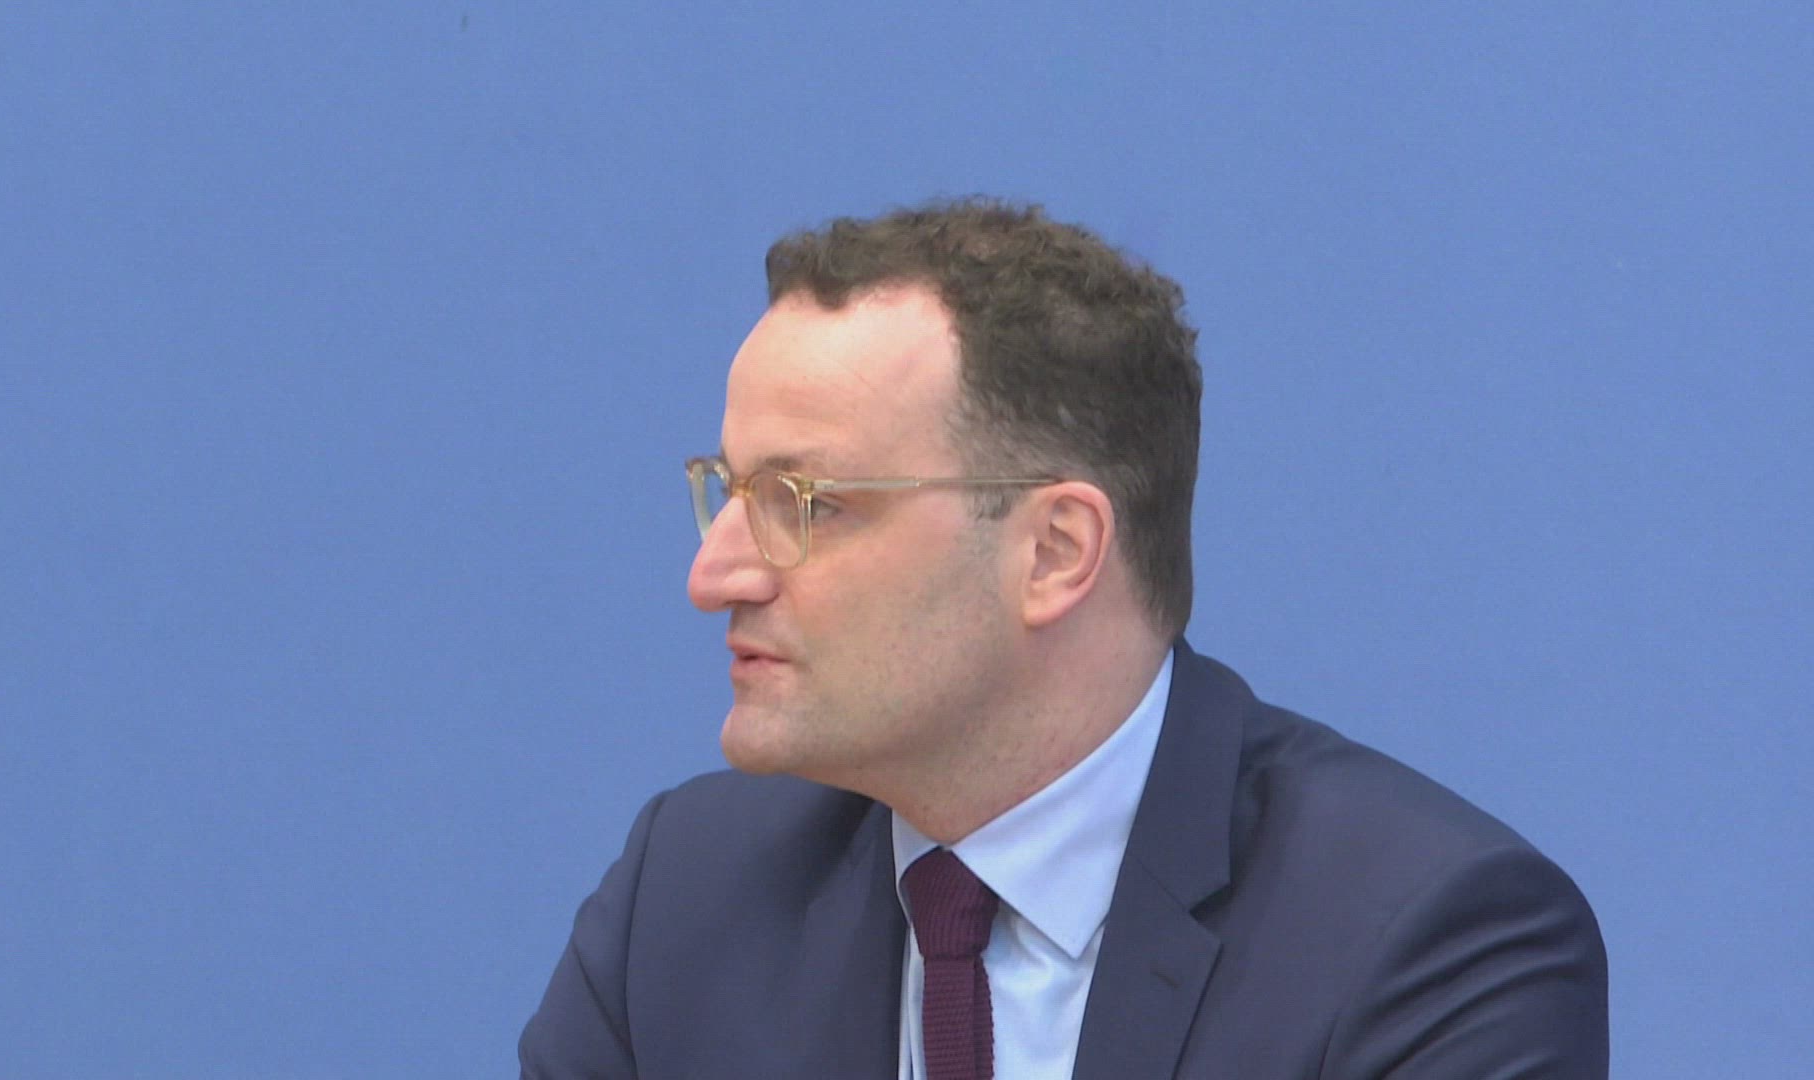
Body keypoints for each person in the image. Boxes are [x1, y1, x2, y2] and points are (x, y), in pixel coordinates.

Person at [519, 199, 1608, 1078]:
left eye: (804, 503)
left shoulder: (1424, 943)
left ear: (1054, 551)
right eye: (727, 491)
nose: (713, 576)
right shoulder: (688, 897)